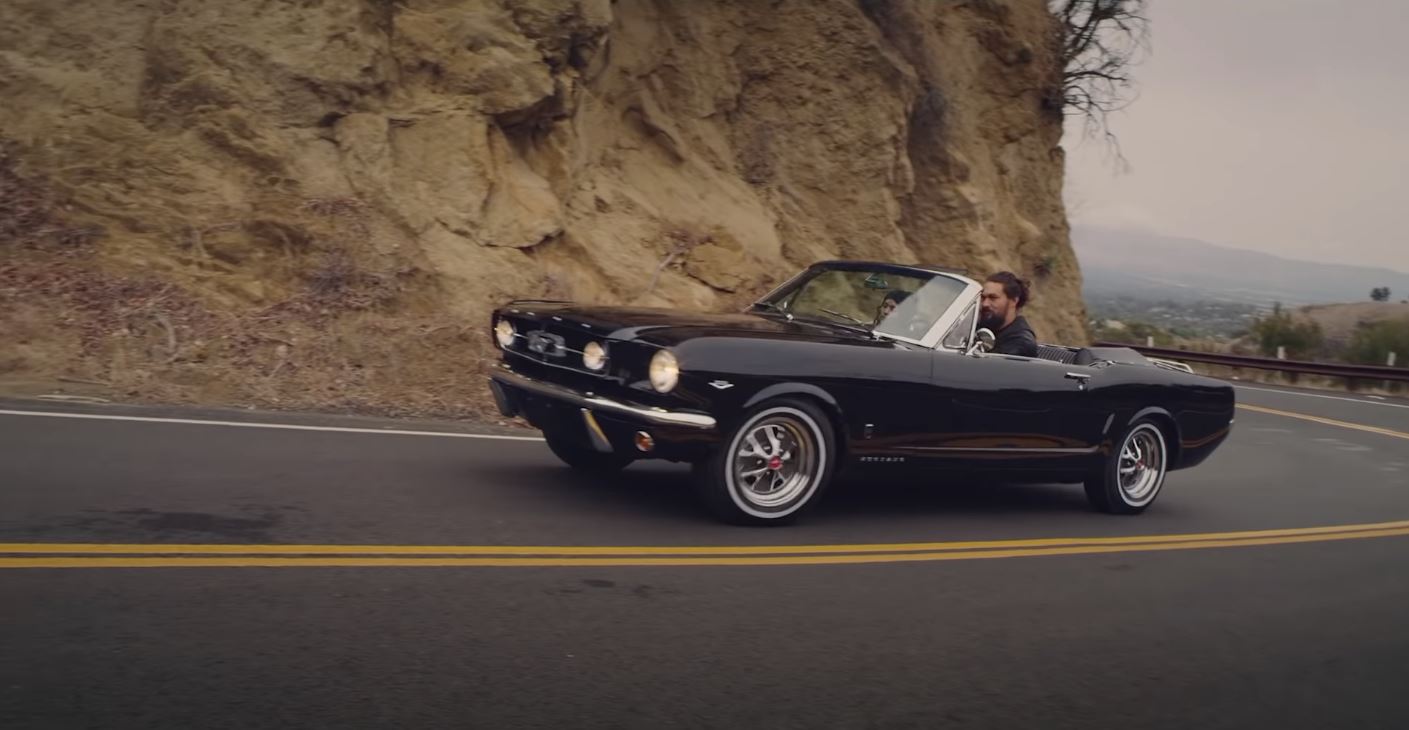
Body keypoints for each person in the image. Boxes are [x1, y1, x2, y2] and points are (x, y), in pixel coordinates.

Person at [979, 271, 1038, 357]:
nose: (985, 304)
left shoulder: (1019, 343)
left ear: (1014, 301)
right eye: (983, 297)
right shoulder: (981, 326)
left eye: (993, 298)